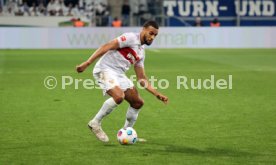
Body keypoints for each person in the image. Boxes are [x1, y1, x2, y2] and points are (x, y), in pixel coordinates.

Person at [76, 20, 168, 142]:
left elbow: (141, 78)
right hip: (104, 69)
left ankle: (127, 133)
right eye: (151, 33)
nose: (152, 37)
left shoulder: (141, 52)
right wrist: (87, 63)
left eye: (155, 35)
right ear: (144, 29)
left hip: (118, 74)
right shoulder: (130, 38)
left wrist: (157, 94)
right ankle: (95, 123)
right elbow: (107, 46)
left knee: (137, 102)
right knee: (119, 96)